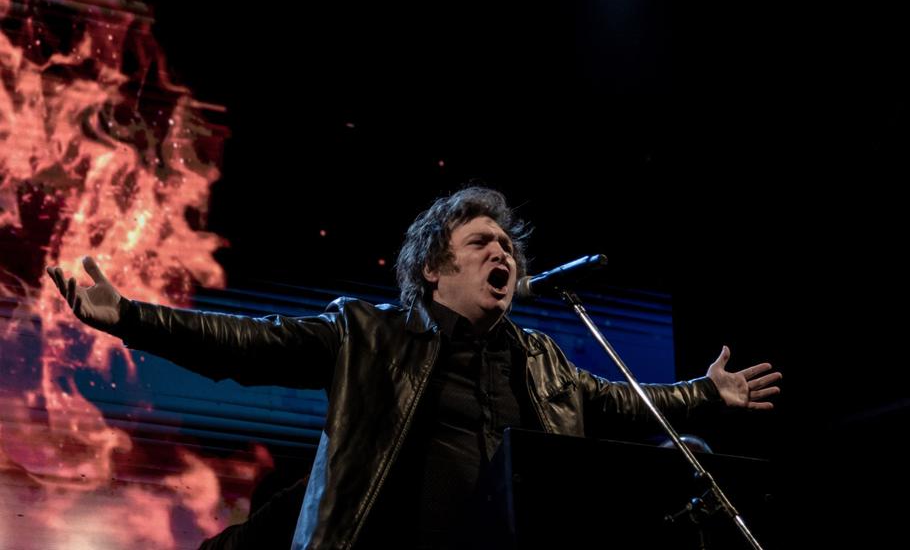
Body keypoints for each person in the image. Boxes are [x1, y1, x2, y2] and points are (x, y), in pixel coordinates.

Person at [46, 186, 782, 550]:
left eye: (509, 248)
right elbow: (249, 343)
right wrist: (130, 317)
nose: (505, 254)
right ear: (433, 268)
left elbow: (621, 407)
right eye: (484, 242)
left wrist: (703, 394)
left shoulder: (541, 360)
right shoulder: (369, 334)